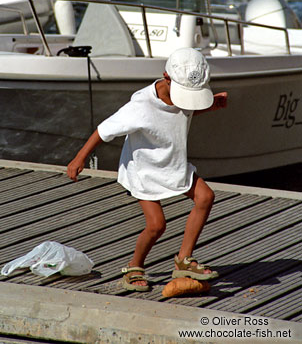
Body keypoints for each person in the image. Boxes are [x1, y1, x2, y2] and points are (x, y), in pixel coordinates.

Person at [67, 47, 227, 292]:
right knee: (156, 225)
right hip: (143, 170)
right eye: (184, 94)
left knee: (206, 197)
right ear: (166, 78)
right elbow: (104, 129)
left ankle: (183, 260)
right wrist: (79, 158)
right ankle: (134, 266)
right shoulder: (140, 105)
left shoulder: (181, 94)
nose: (184, 100)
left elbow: (187, 107)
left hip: (174, 163)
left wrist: (211, 105)